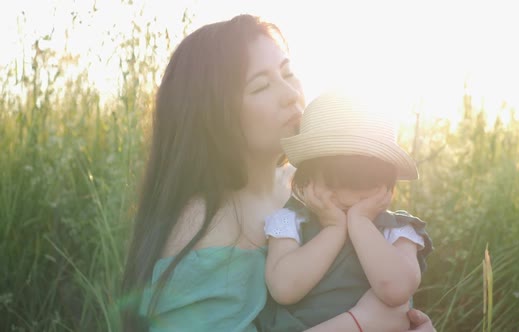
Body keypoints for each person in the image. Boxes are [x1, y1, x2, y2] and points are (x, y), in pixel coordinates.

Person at [120, 14, 436, 332]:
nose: (290, 94)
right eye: (261, 86)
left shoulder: (306, 186)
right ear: (211, 115)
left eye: (288, 73)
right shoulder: (202, 225)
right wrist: (358, 324)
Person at [258, 92, 434, 332]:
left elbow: (396, 291)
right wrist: (333, 229)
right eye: (333, 184)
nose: (348, 198)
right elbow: (284, 289)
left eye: (365, 188)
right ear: (307, 179)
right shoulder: (291, 221)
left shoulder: (399, 231)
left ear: (387, 186)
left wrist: (360, 222)